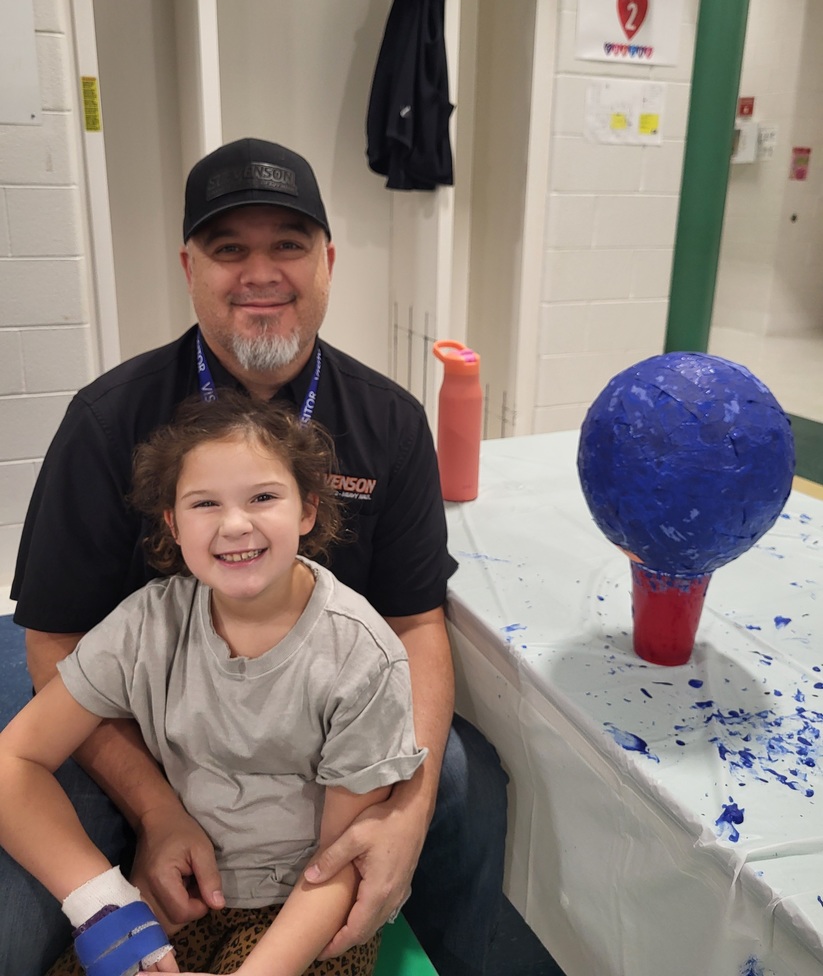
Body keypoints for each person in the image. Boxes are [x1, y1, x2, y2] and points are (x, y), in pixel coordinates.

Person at [6, 137, 508, 976]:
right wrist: (156, 807)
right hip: (129, 710)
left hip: (318, 714)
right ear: (189, 267)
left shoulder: (388, 422)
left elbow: (415, 623)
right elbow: (52, 643)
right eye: (228, 248)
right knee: (17, 926)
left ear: (327, 261)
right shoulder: (107, 421)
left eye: (288, 244)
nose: (260, 272)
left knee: (461, 781)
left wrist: (404, 812)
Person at [0, 392, 428, 976]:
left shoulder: (361, 657)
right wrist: (107, 910)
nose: (234, 524)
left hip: (304, 915)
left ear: (307, 510)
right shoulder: (146, 625)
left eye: (262, 497)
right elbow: (14, 762)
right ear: (173, 524)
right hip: (180, 895)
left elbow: (342, 862)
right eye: (205, 503)